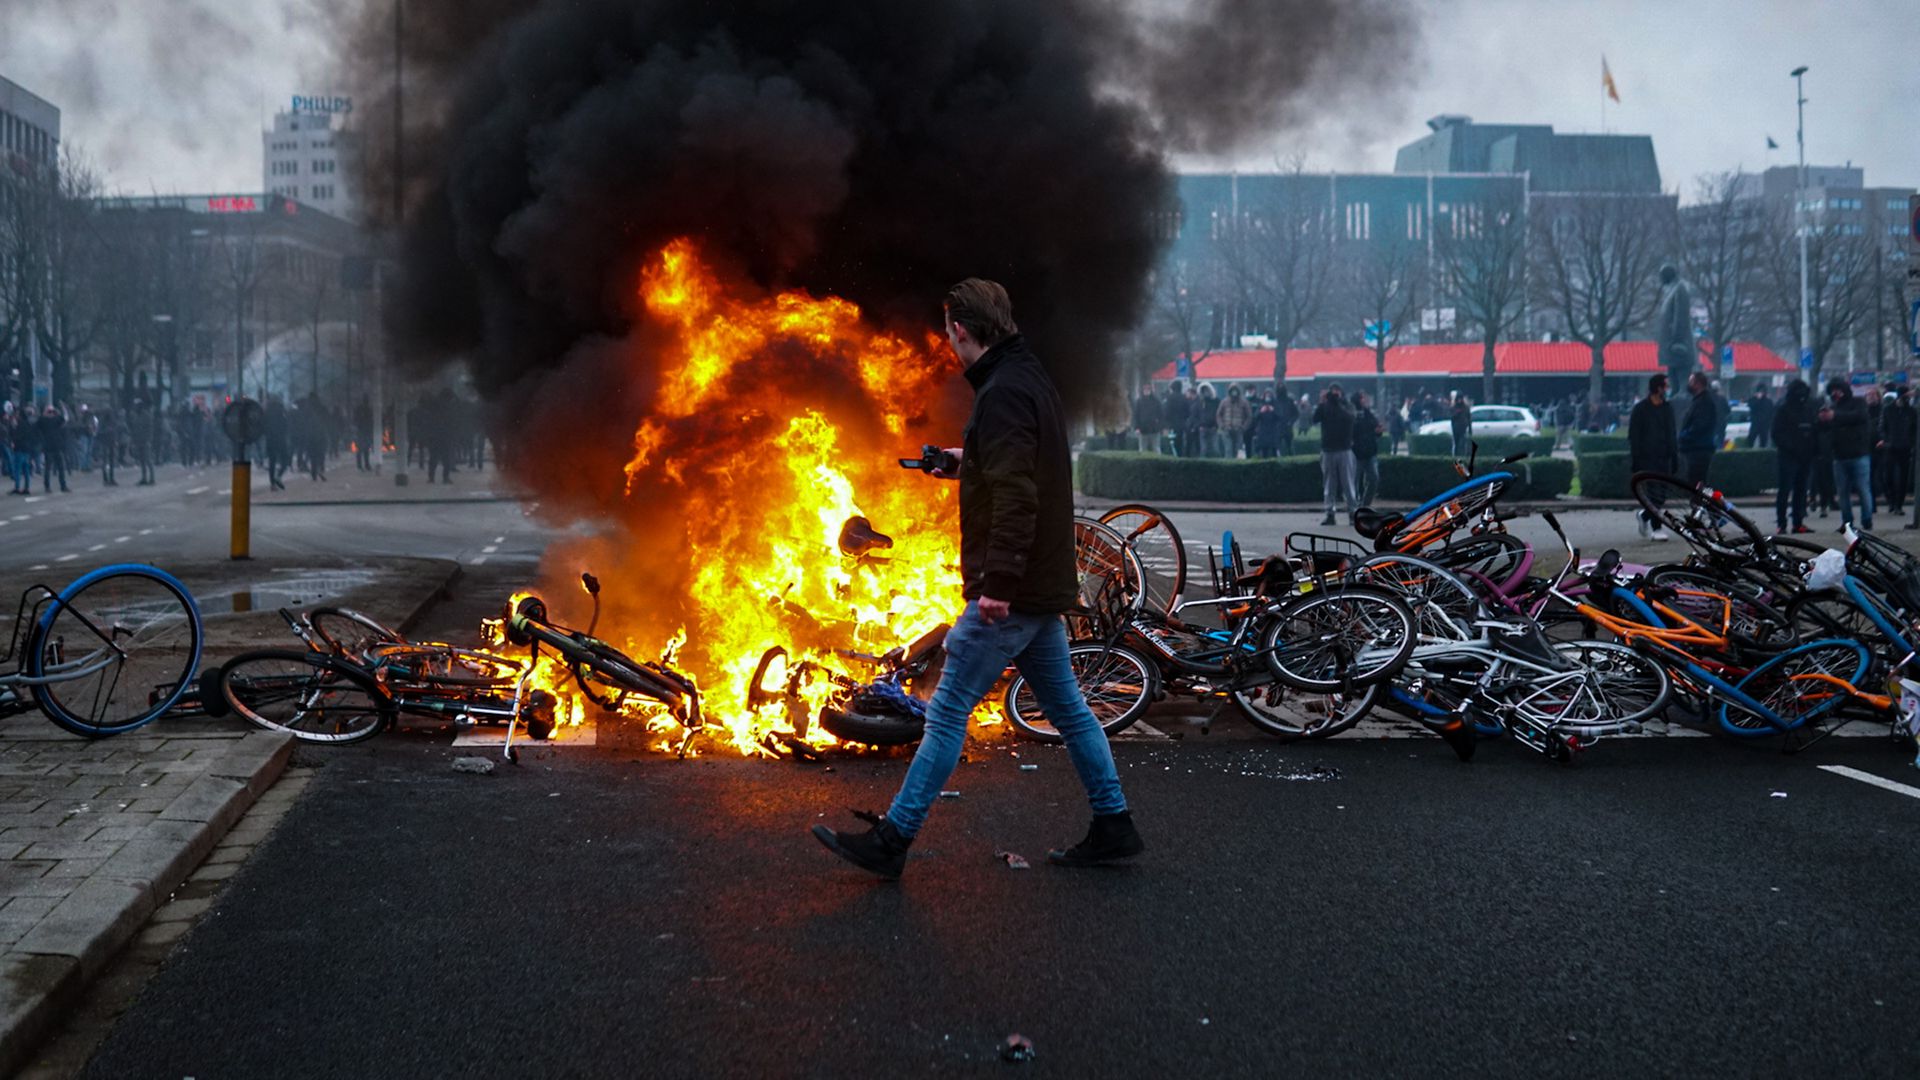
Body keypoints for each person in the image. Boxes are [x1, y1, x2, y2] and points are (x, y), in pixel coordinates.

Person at [812, 278, 1139, 878]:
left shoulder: (1004, 392)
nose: (948, 344)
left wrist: (998, 586)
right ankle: (1114, 822)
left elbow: (1018, 495)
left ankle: (893, 840)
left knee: (947, 709)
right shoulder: (1026, 377)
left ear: (960, 330)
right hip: (1039, 586)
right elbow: (1016, 463)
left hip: (1015, 590)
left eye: (947, 334)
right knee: (1068, 706)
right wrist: (959, 462)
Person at [1817, 378, 1872, 532]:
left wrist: (1835, 416)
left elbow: (1857, 416)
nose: (1836, 393)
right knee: (1842, 492)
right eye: (1833, 391)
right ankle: (1847, 522)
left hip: (1859, 454)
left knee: (1863, 489)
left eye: (1838, 390)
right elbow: (1826, 431)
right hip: (1840, 456)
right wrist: (1823, 420)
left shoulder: (1858, 403)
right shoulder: (1832, 408)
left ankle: (1867, 519)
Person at [1628, 374, 1677, 541]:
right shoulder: (1641, 409)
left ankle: (1645, 515)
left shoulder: (1667, 408)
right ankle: (1657, 528)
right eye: (1666, 386)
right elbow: (1634, 435)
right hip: (1647, 458)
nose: (1667, 390)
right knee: (1654, 493)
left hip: (1664, 458)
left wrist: (1674, 455)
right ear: (1658, 388)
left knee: (1663, 494)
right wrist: (1636, 459)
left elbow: (1672, 433)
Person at [1771, 380, 1816, 534]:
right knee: (1785, 491)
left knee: (1801, 491)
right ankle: (1781, 524)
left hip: (1804, 457)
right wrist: (1791, 447)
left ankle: (1798, 522)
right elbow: (1776, 434)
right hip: (1788, 457)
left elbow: (1813, 430)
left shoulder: (1807, 409)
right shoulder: (1783, 410)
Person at [1312, 383, 1357, 526]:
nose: (1335, 394)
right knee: (1329, 484)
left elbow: (1350, 419)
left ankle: (1352, 511)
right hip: (1328, 449)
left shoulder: (1347, 406)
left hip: (1344, 449)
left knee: (1348, 483)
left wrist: (1337, 404)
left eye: (1337, 391)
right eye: (1333, 391)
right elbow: (1315, 418)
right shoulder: (1325, 406)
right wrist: (1322, 403)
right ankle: (1330, 512)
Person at [1677, 371, 1720, 484]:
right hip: (1697, 448)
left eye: (1691, 382)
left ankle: (1707, 500)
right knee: (1697, 482)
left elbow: (1699, 426)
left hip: (1699, 449)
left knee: (1697, 482)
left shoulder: (1704, 402)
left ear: (1698, 384)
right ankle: (1705, 500)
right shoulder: (1699, 400)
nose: (1688, 385)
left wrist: (1683, 436)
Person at [1881, 385, 1916, 517]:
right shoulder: (1888, 410)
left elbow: (1914, 429)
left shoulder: (1911, 411)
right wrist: (1886, 440)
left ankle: (1898, 505)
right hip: (1890, 447)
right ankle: (1891, 500)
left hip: (1905, 448)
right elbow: (1882, 427)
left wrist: (1911, 442)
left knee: (1903, 478)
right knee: (1888, 476)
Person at [1351, 390, 1383, 508]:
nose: (1365, 400)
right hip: (1356, 453)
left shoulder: (1369, 413)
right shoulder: (1352, 414)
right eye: (1362, 398)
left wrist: (1378, 431)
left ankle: (1365, 505)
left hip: (1370, 452)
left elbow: (1375, 427)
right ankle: (1354, 506)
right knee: (1354, 481)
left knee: (1374, 479)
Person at [37, 404, 69, 494]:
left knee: (49, 467)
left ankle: (48, 486)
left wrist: (44, 413)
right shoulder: (57, 419)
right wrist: (63, 408)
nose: (51, 413)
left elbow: (37, 424)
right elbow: (66, 418)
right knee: (59, 467)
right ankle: (63, 486)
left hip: (48, 447)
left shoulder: (42, 420)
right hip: (56, 446)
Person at [1215, 385, 1251, 459]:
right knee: (1228, 450)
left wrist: (1244, 427)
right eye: (1232, 390)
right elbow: (1218, 415)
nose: (1234, 392)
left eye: (1235, 390)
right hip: (1227, 430)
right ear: (1229, 391)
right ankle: (1228, 468)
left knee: (1238, 451)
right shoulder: (1224, 402)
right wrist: (1222, 426)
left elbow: (1249, 416)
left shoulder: (1244, 402)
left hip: (1239, 430)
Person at [1130, 386, 1161, 454]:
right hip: (1143, 429)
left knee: (1156, 448)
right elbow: (1136, 415)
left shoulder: (1156, 401)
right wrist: (1137, 427)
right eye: (1145, 390)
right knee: (1142, 448)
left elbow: (1161, 414)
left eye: (1148, 390)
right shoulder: (1139, 401)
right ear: (1143, 391)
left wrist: (1159, 425)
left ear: (1151, 391)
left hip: (1154, 429)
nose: (1146, 391)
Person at [1274, 390, 1299, 456]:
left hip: (1287, 427)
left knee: (1289, 446)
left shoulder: (1290, 401)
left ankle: (1292, 460)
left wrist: (1291, 422)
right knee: (1277, 447)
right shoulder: (1275, 401)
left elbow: (1296, 414)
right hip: (1278, 427)